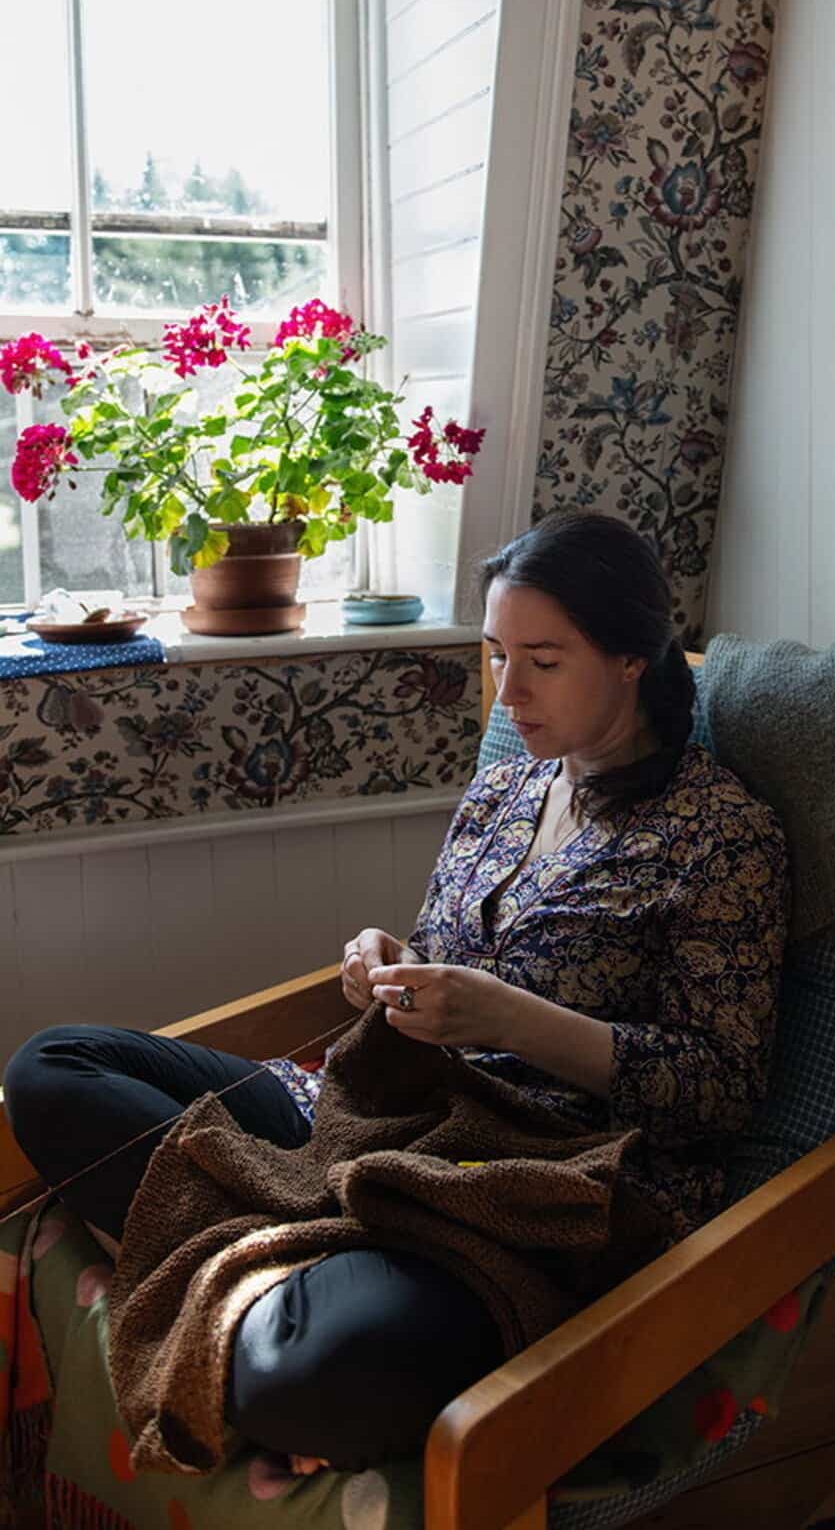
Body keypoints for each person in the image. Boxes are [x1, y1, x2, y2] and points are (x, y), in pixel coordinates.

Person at [4, 511, 789, 1476]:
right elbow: (446, 960)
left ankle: (276, 1257)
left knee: (312, 1375)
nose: (509, 690)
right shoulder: (504, 795)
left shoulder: (722, 836)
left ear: (632, 657)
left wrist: (513, 1021)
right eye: (497, 654)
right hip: (381, 1119)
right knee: (51, 1069)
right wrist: (387, 964)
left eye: (543, 661)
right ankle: (296, 1247)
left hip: (527, 1188)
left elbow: (721, 1089)